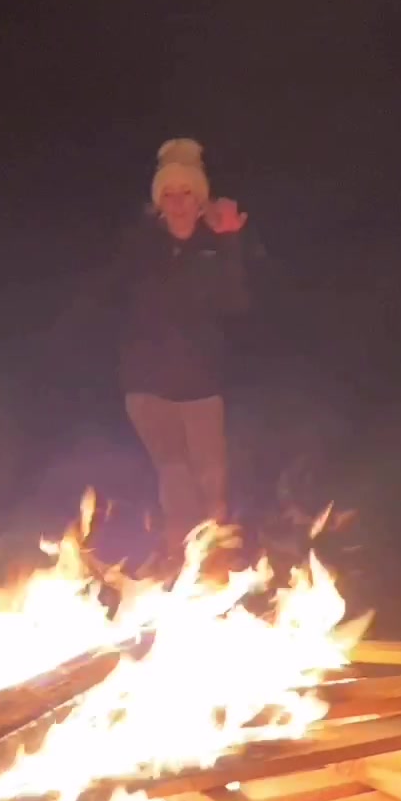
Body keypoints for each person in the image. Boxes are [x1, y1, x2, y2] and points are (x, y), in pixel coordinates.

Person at [116, 138, 249, 561]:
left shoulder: (216, 245)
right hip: (148, 385)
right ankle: (180, 561)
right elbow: (126, 301)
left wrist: (228, 241)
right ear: (159, 202)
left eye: (186, 192)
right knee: (174, 473)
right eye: (168, 194)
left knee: (212, 480)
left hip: (200, 385)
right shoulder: (141, 245)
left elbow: (235, 303)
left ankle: (216, 566)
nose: (177, 203)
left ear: (200, 198)